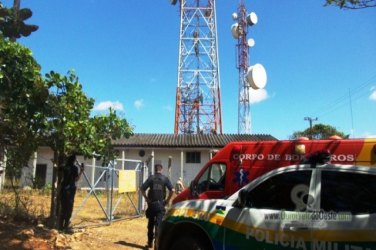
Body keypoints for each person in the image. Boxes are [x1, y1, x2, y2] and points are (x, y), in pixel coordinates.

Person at [140, 164, 174, 248]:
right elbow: (172, 190)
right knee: (159, 225)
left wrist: (147, 199)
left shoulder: (151, 178)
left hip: (151, 205)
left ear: (155, 170)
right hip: (161, 204)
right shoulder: (165, 179)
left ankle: (150, 242)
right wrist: (167, 200)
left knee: (150, 224)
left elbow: (142, 189)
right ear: (161, 170)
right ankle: (157, 245)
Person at [59, 153, 84, 232]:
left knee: (63, 207)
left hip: (63, 189)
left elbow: (56, 168)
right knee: (69, 207)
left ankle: (60, 226)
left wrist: (54, 163)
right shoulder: (75, 168)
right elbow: (76, 179)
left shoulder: (63, 167)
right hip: (70, 190)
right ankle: (66, 225)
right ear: (74, 161)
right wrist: (81, 171)